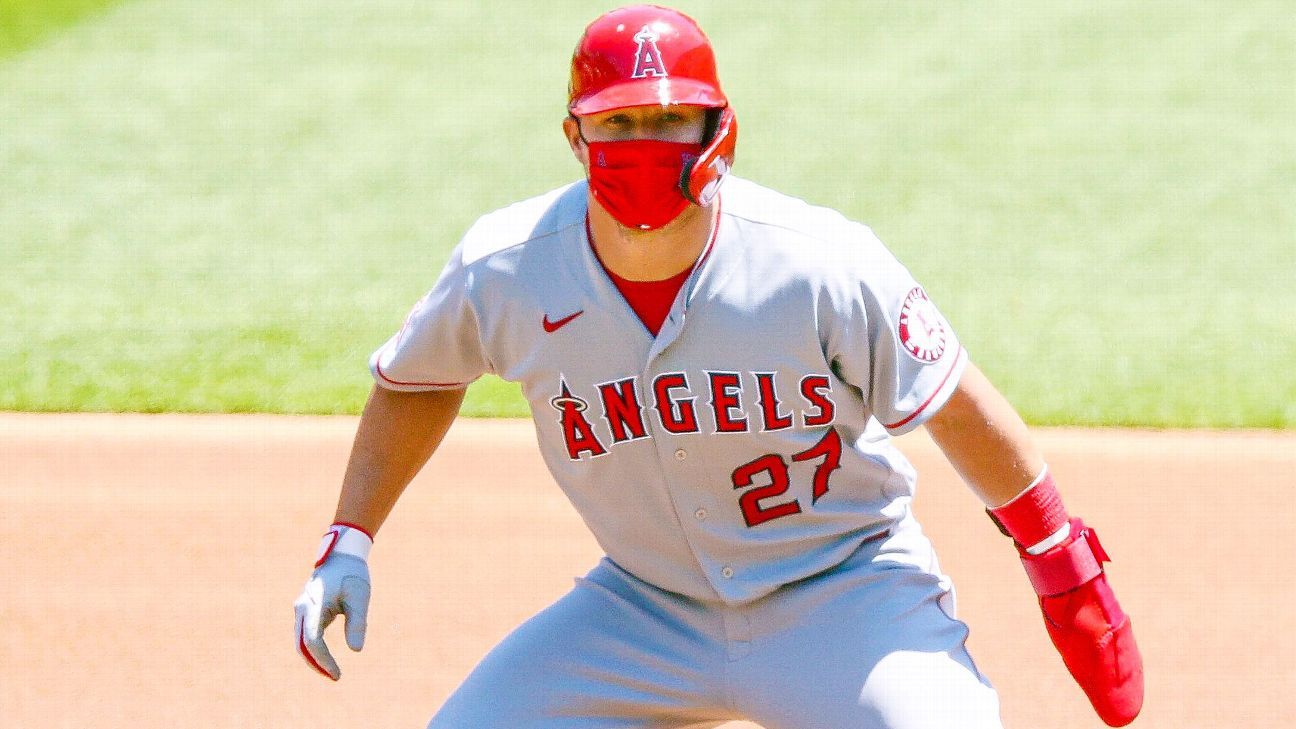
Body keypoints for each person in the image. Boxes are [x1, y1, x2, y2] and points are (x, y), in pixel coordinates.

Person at [293, 5, 1144, 728]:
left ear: (717, 128)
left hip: (845, 592)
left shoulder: (818, 264)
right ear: (574, 134)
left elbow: (956, 408)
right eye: (617, 122)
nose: (642, 142)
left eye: (667, 119)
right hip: (640, 609)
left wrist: (1064, 564)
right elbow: (417, 380)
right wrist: (349, 538)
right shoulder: (508, 267)